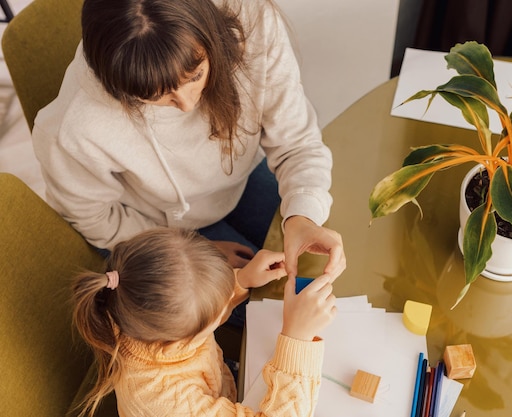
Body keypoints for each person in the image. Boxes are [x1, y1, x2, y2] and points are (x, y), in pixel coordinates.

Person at [32, 0, 345, 280]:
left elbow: (297, 143)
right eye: (156, 96)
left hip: (238, 181)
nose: (187, 103)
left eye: (195, 76)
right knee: (265, 304)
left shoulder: (253, 22)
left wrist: (302, 216)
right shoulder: (72, 127)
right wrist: (192, 251)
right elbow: (94, 218)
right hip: (150, 224)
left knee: (321, 264)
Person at [72, 227, 337, 417]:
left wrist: (241, 279)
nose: (226, 304)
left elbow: (193, 302)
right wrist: (297, 339)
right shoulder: (163, 403)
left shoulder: (132, 306)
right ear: (182, 337)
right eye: (218, 315)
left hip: (217, 386)